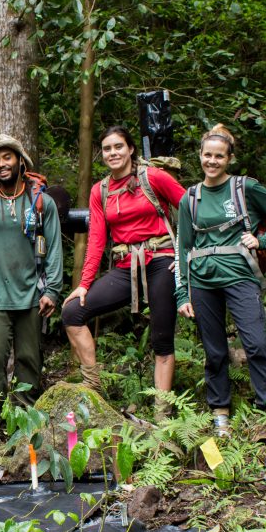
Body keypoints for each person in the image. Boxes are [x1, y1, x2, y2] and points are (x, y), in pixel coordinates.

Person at [175, 124, 266, 453]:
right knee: (214, 353)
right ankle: (220, 417)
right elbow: (182, 248)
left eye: (219, 156)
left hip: (240, 276)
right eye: (207, 155)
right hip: (202, 281)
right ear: (199, 156)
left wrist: (263, 239)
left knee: (256, 344)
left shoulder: (245, 188)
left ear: (229, 158)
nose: (212, 161)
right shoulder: (190, 198)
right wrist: (182, 294)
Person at [61, 126, 186, 417]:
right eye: (107, 149)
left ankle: (162, 413)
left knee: (161, 338)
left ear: (130, 149)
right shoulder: (100, 190)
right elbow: (96, 241)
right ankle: (94, 389)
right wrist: (83, 284)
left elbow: (191, 210)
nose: (113, 153)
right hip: (125, 267)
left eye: (118, 146)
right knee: (71, 314)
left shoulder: (153, 177)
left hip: (160, 261)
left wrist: (184, 257)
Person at [0, 134, 63, 448]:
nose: (2, 164)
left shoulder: (41, 201)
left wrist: (53, 290)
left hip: (32, 295)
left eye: (7, 157)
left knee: (30, 359)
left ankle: (24, 421)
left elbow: (55, 246)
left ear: (20, 160)